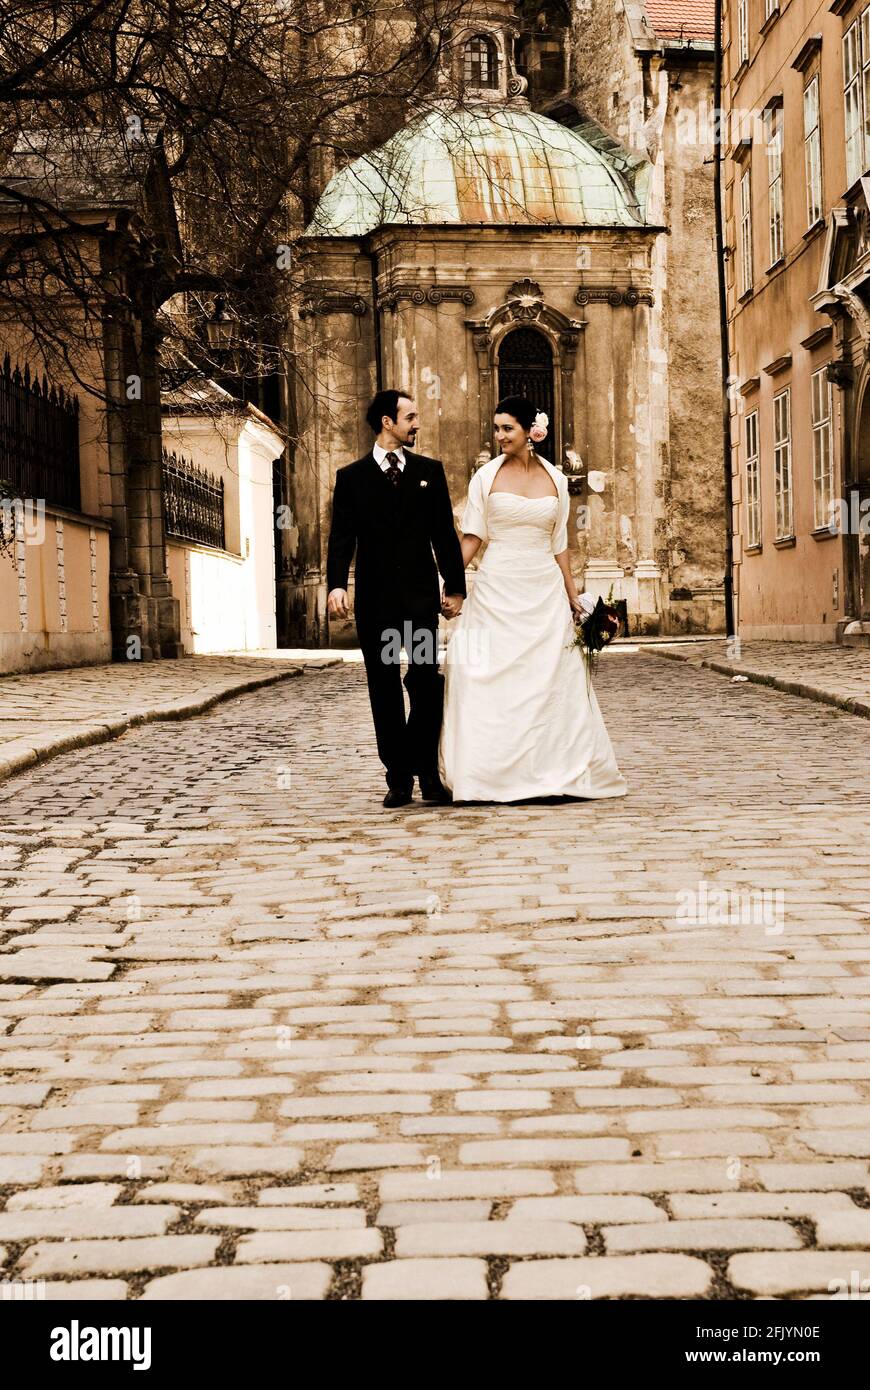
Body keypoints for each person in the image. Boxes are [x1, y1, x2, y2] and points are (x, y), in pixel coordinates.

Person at [438, 395, 628, 803]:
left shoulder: (556, 479)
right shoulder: (485, 478)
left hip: (542, 588)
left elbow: (560, 544)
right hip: (497, 586)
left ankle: (554, 770)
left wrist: (573, 595)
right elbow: (472, 536)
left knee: (551, 678)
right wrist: (451, 584)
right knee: (487, 675)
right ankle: (489, 775)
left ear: (530, 431)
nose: (499, 435)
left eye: (507, 428)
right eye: (496, 428)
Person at [326, 389, 466, 807]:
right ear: (388, 422)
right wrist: (336, 584)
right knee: (383, 688)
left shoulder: (429, 472)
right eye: (410, 417)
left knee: (425, 683)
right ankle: (398, 777)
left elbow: (444, 534)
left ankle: (428, 773)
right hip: (377, 604)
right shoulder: (351, 478)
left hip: (420, 603)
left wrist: (455, 587)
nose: (416, 424)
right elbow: (341, 537)